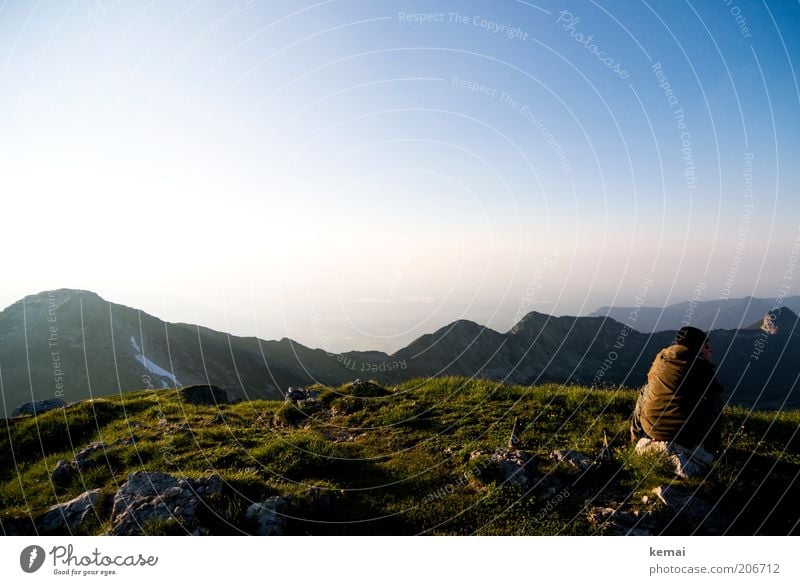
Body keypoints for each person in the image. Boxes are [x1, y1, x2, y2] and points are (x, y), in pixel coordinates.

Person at [631, 326, 723, 454]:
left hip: (650, 428)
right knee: (715, 398)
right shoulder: (700, 367)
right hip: (683, 436)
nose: (710, 350)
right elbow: (712, 398)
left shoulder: (662, 357)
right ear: (696, 347)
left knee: (646, 389)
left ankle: (636, 437)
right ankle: (711, 449)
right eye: (706, 346)